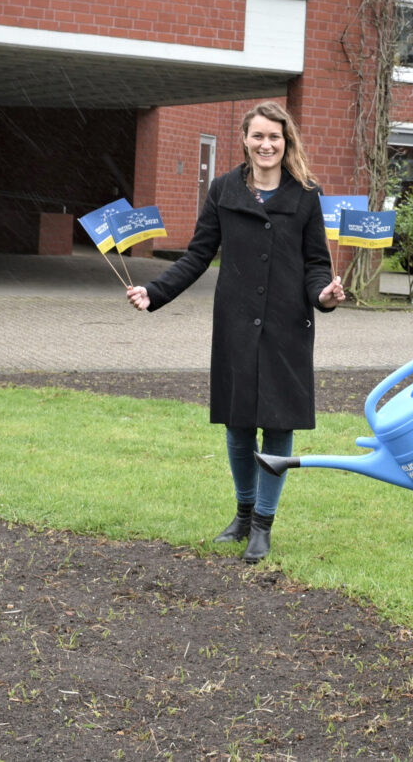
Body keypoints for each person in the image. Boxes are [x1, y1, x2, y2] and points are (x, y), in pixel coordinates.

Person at [127, 100, 345, 564]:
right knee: (238, 422)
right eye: (258, 136)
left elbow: (315, 264)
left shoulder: (306, 194)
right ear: (245, 140)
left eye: (275, 137)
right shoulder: (224, 189)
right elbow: (196, 255)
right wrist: (155, 291)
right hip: (236, 324)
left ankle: (263, 525)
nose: (266, 144)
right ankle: (242, 516)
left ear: (286, 143)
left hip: (287, 327)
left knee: (278, 425)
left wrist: (323, 295)